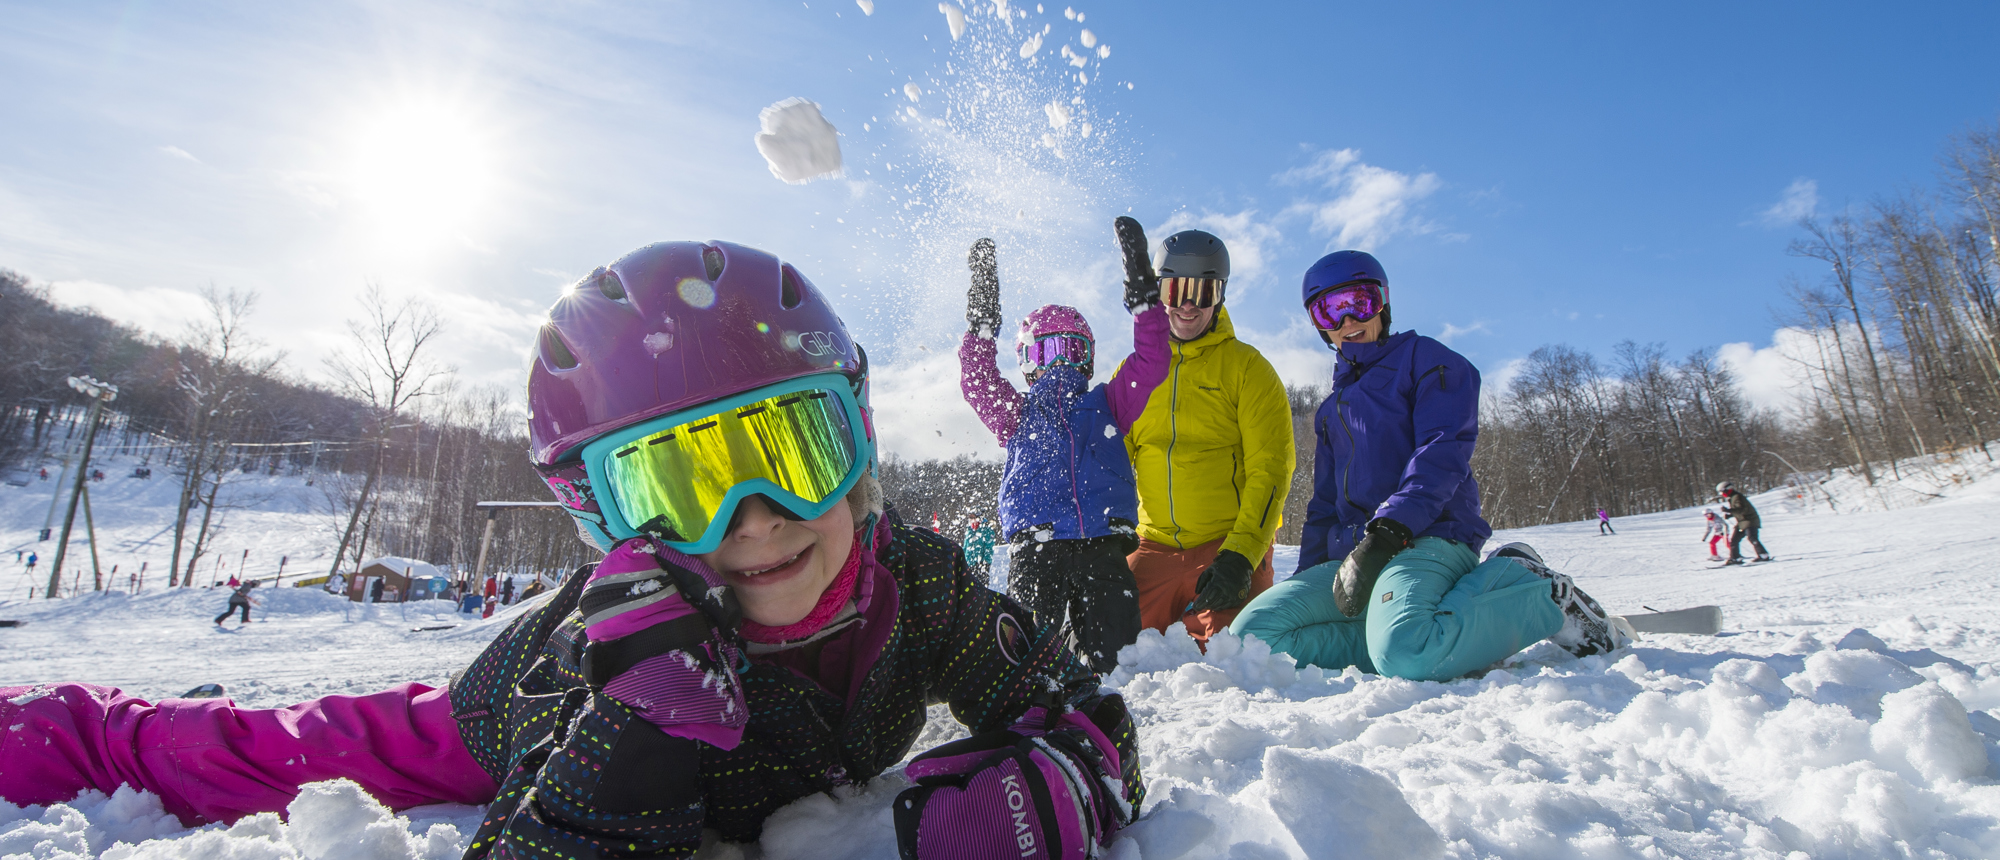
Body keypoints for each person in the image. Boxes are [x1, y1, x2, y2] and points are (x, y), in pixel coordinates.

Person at [0, 240, 1142, 859]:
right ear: (601, 517)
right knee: (263, 752)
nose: (752, 518)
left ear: (857, 444)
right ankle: (58, 726)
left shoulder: (919, 582)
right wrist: (639, 728)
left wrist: (1054, 790)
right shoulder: (603, 662)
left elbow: (1085, 714)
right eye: (676, 487)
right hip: (495, 716)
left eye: (790, 449)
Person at [1230, 251, 1626, 680]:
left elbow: (1442, 451)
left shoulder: (1428, 362)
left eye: (1359, 302)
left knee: (1406, 652)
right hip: (1354, 556)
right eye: (1329, 310)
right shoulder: (1330, 410)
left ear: (1382, 303)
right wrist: (1309, 578)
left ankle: (1535, 591)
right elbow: (1324, 505)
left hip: (1427, 539)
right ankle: (1421, 637)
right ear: (1318, 324)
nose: (1347, 320)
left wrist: (1389, 530)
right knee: (1252, 641)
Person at [957, 223, 1167, 672]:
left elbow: (1152, 362)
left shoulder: (1109, 403)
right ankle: (1043, 679)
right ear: (1027, 362)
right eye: (1045, 352)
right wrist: (982, 316)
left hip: (1103, 543)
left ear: (1087, 358)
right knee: (1026, 661)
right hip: (1038, 546)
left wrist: (1144, 297)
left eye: (1070, 350)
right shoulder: (1017, 414)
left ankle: (1095, 679)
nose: (1059, 363)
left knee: (1119, 661)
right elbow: (977, 379)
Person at [1117, 226, 1295, 647]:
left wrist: (1242, 554)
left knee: (1237, 655)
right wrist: (1107, 539)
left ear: (1221, 295)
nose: (1188, 306)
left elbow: (1270, 469)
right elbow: (1111, 462)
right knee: (1115, 650)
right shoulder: (1134, 373)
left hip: (1225, 545)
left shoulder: (1247, 369)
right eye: (1176, 290)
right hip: (1152, 545)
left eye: (1203, 292)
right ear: (1158, 293)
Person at [1716, 481, 1772, 564]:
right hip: (1742, 522)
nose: (1722, 494)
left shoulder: (1737, 497)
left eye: (1722, 492)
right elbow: (1738, 511)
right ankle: (1735, 558)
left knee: (1752, 537)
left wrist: (1729, 510)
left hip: (1750, 520)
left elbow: (1742, 509)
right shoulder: (1732, 497)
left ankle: (1763, 555)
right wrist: (1730, 515)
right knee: (1734, 540)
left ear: (1727, 489)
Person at [961, 516, 997, 583]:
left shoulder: (986, 529)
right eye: (970, 517)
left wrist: (985, 563)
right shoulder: (969, 530)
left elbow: (989, 548)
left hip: (981, 565)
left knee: (980, 585)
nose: (972, 520)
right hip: (969, 565)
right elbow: (965, 548)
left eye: (974, 517)